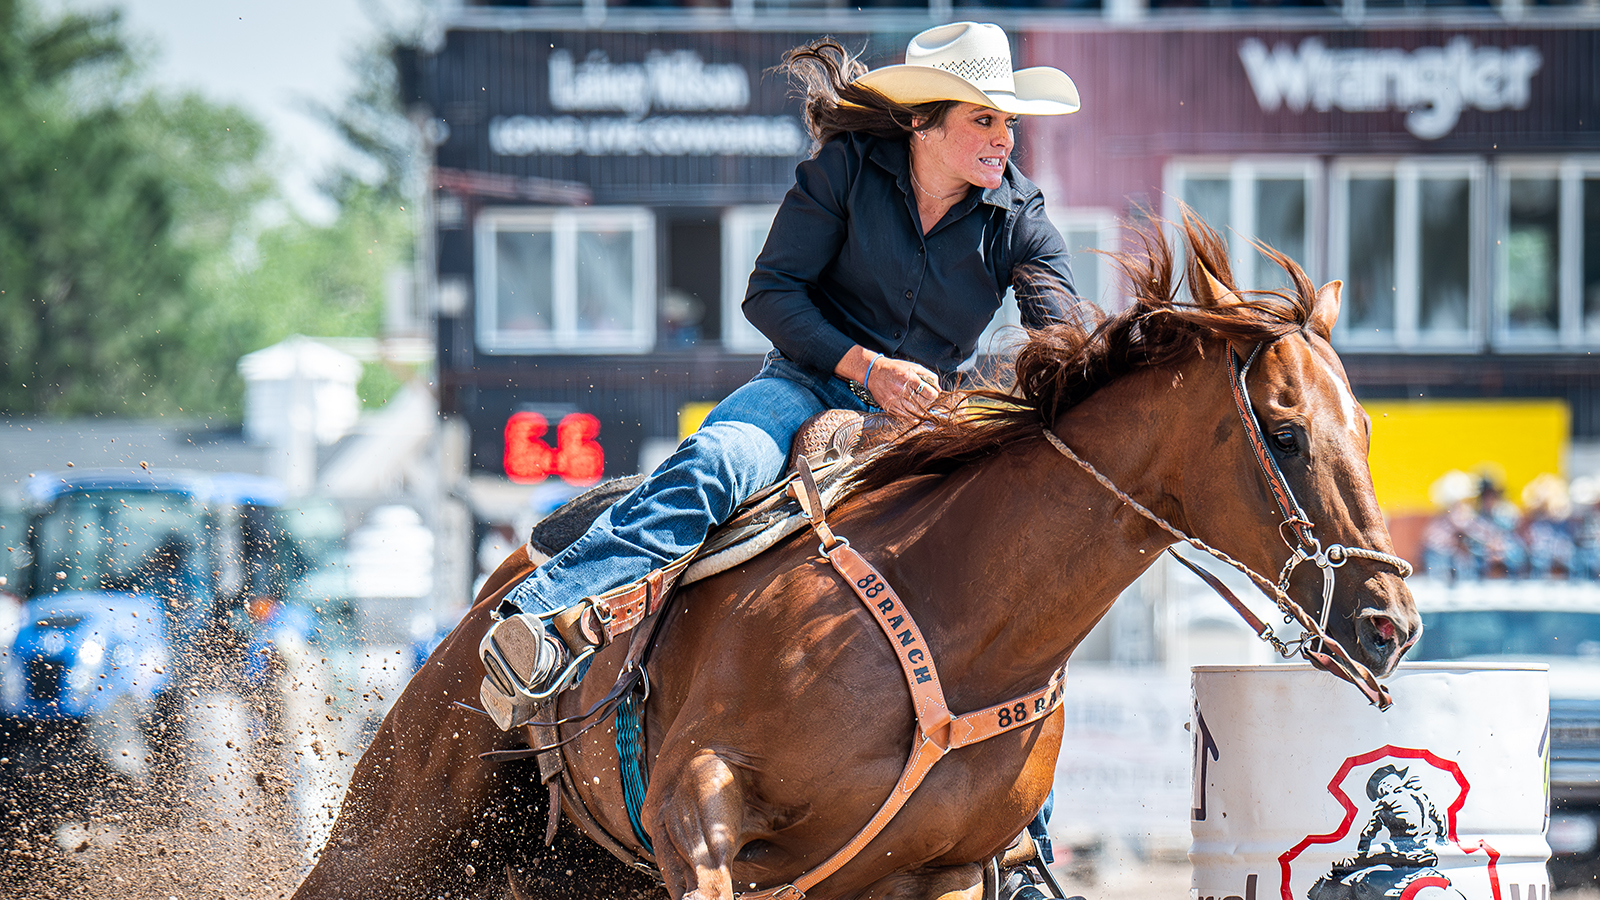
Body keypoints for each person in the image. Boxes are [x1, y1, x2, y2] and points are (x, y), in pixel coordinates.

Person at [479, 21, 1083, 727]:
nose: (1004, 138)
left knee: (994, 570)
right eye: (984, 118)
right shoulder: (848, 168)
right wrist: (867, 366)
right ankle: (538, 620)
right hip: (803, 386)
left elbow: (1064, 338)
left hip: (929, 416)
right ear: (922, 121)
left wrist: (1002, 385)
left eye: (1008, 120)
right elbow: (769, 294)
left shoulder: (1022, 217)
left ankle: (1022, 831)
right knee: (716, 462)